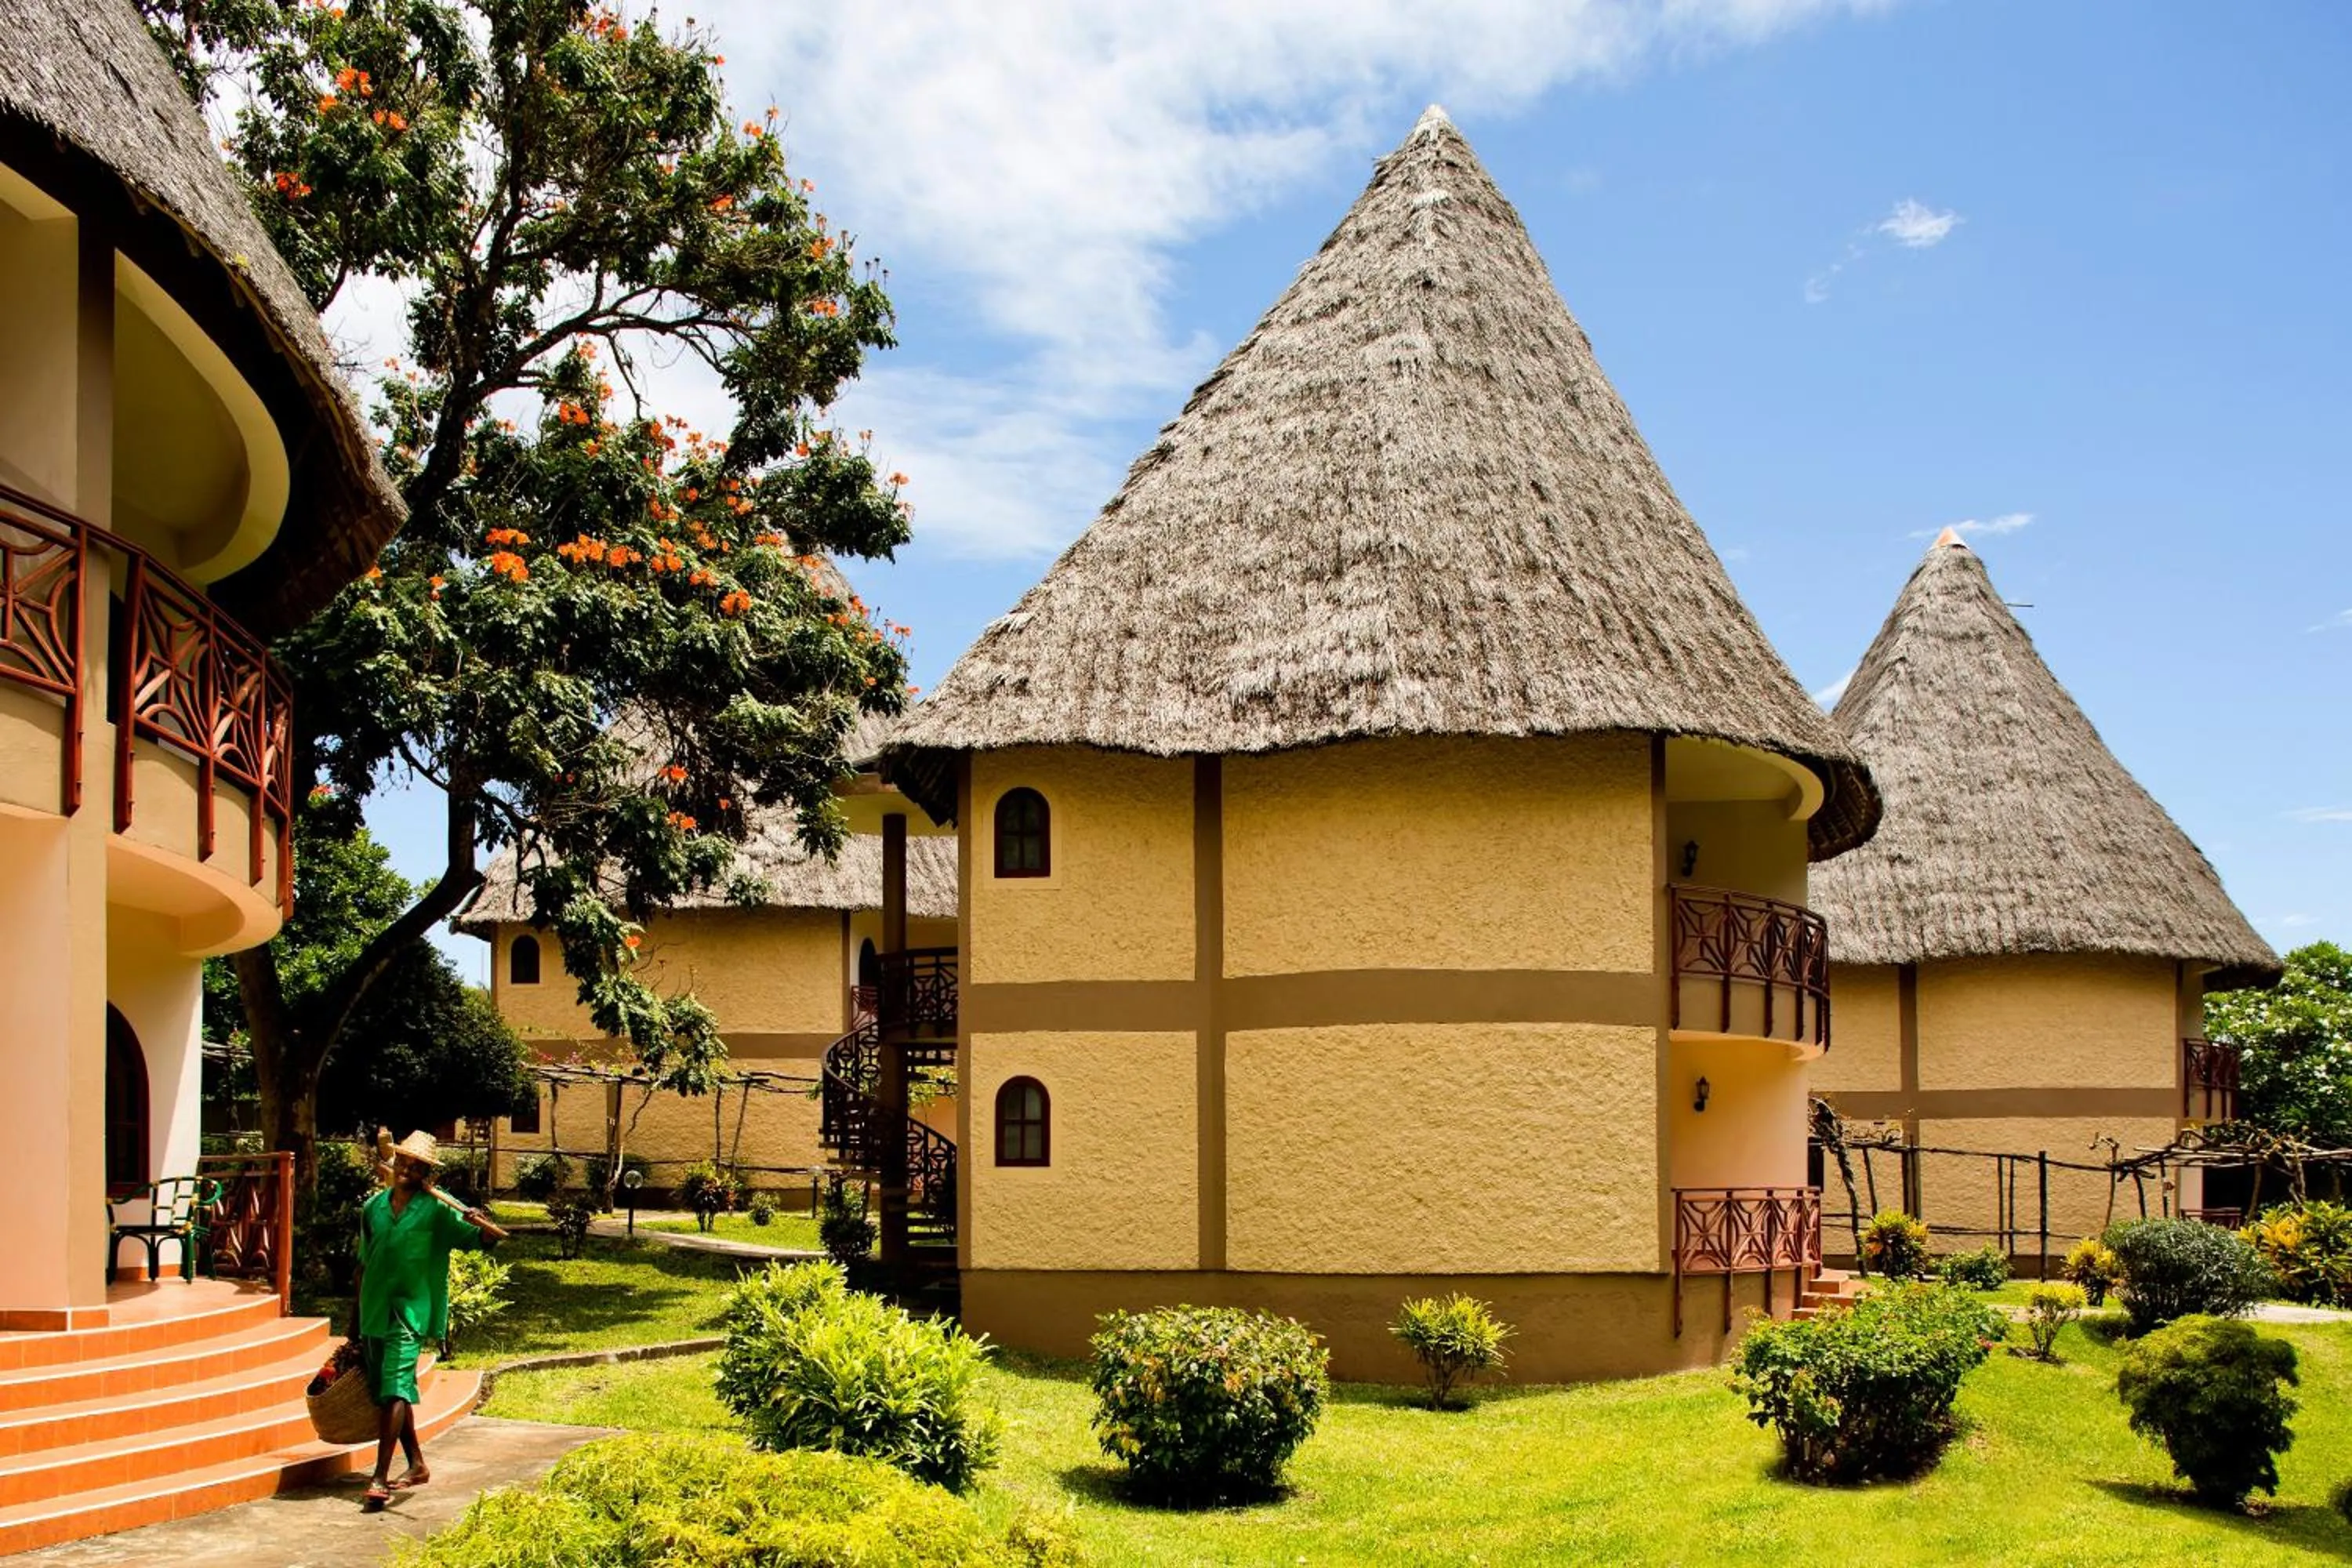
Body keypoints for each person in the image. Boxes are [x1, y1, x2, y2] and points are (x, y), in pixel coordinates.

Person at [350, 1130, 508, 1509]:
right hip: (374, 1308)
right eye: (403, 1161)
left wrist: (482, 1227)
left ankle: (379, 1477)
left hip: (411, 1311)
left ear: (426, 1174)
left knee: (397, 1386)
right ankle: (417, 1463)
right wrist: (352, 1320)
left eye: (416, 1166)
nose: (407, 1169)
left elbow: (479, 1240)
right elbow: (362, 1264)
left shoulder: (439, 1210)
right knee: (388, 1390)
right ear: (394, 1163)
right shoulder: (373, 1208)